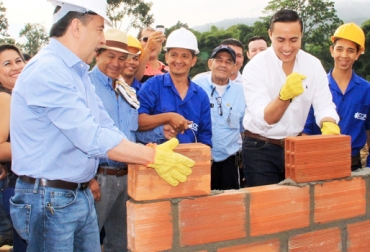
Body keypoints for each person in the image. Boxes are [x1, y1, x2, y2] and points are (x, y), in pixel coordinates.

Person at [9, 1, 195, 251]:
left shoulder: (75, 72)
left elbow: (105, 125)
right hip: (50, 197)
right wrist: (149, 156)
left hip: (74, 193)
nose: (101, 39)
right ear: (76, 27)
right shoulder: (48, 70)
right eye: (99, 30)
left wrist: (141, 149)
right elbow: (91, 136)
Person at [242, 9, 340, 187]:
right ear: (270, 35)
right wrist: (284, 96)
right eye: (280, 40)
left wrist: (328, 122)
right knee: (266, 207)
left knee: (297, 206)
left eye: (294, 40)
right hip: (260, 147)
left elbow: (324, 104)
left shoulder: (313, 65)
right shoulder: (255, 68)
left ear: (301, 35)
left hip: (296, 146)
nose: (287, 47)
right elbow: (265, 119)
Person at [88, 28, 135, 252]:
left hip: (126, 177)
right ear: (98, 54)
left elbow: (130, 131)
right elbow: (79, 135)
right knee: (88, 242)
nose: (117, 63)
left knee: (121, 242)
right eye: (111, 56)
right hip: (99, 176)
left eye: (122, 58)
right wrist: (88, 178)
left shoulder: (125, 88)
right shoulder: (86, 85)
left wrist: (160, 132)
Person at [303, 23, 370, 171]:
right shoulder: (317, 87)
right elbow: (305, 132)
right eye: (339, 49)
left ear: (358, 54)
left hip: (354, 168)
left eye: (351, 50)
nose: (344, 55)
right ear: (332, 51)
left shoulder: (366, 90)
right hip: (318, 165)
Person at [137, 27, 212, 147]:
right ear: (166, 57)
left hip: (190, 162)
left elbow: (205, 136)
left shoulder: (201, 96)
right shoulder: (152, 86)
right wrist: (168, 117)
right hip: (156, 161)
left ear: (193, 61)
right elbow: (138, 121)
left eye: (185, 56)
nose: (178, 60)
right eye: (174, 55)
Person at [194, 45, 245, 190]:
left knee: (230, 206)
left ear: (234, 67)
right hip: (199, 160)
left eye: (228, 62)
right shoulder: (196, 86)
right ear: (210, 63)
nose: (223, 65)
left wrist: (245, 158)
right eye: (219, 60)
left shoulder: (241, 92)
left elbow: (244, 130)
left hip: (229, 162)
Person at [0, 44, 28, 252]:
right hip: (16, 187)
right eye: (7, 63)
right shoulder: (5, 97)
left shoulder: (22, 96)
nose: (16, 67)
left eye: (18, 60)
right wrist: (38, 144)